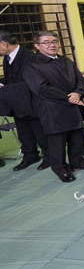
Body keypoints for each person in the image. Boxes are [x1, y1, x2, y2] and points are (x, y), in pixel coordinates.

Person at [25, 31, 84, 182]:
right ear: (37, 46)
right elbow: (41, 88)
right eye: (46, 42)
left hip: (73, 106)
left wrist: (78, 93)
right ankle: (61, 169)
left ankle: (78, 161)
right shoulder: (32, 66)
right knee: (57, 142)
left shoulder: (66, 60)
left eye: (54, 41)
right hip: (53, 110)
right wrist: (69, 97)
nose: (52, 45)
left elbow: (80, 80)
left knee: (77, 137)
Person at [0, 31, 50, 170]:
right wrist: (3, 84)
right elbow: (12, 78)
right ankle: (30, 155)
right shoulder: (7, 57)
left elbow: (31, 82)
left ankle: (49, 157)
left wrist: (4, 89)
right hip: (16, 101)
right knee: (24, 132)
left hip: (31, 102)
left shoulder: (29, 57)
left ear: (4, 43)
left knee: (39, 131)